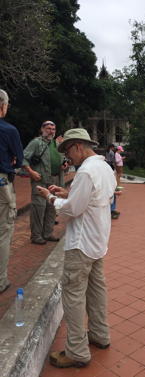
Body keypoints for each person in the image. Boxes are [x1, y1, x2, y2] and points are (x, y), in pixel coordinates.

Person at [34, 128, 114, 368]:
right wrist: (69, 193)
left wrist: (51, 197)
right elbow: (97, 198)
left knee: (74, 296)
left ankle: (77, 351)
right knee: (97, 290)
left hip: (81, 244)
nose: (68, 157)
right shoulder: (104, 168)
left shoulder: (86, 171)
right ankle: (100, 334)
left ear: (78, 146)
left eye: (68, 150)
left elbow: (72, 210)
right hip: (98, 241)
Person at [0, 89, 43, 294]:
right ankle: (0, 280)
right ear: (3, 106)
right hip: (2, 184)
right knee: (3, 231)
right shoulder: (8, 130)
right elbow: (18, 157)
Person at [23, 120, 62, 244]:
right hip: (40, 181)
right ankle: (36, 236)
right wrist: (31, 172)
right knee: (38, 208)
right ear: (42, 129)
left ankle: (47, 233)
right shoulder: (36, 143)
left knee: (51, 208)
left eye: (53, 129)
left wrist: (65, 163)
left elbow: (62, 159)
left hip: (55, 181)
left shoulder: (57, 144)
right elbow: (23, 158)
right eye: (48, 128)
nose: (51, 131)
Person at [108, 145, 124, 219]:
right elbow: (116, 161)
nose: (121, 151)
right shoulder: (115, 154)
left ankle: (112, 210)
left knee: (119, 176)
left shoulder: (116, 154)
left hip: (112, 188)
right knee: (118, 176)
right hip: (110, 189)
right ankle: (111, 210)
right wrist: (121, 159)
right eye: (120, 150)